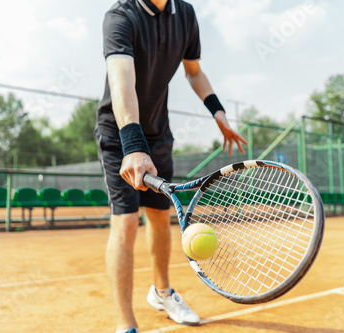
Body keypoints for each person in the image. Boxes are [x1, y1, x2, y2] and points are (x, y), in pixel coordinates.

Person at [95, 0, 248, 332]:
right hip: (120, 132)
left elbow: (193, 71)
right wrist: (133, 146)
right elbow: (122, 80)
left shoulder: (186, 13)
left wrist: (218, 113)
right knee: (124, 222)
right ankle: (126, 323)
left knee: (160, 219)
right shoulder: (120, 16)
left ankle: (162, 292)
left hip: (158, 133)